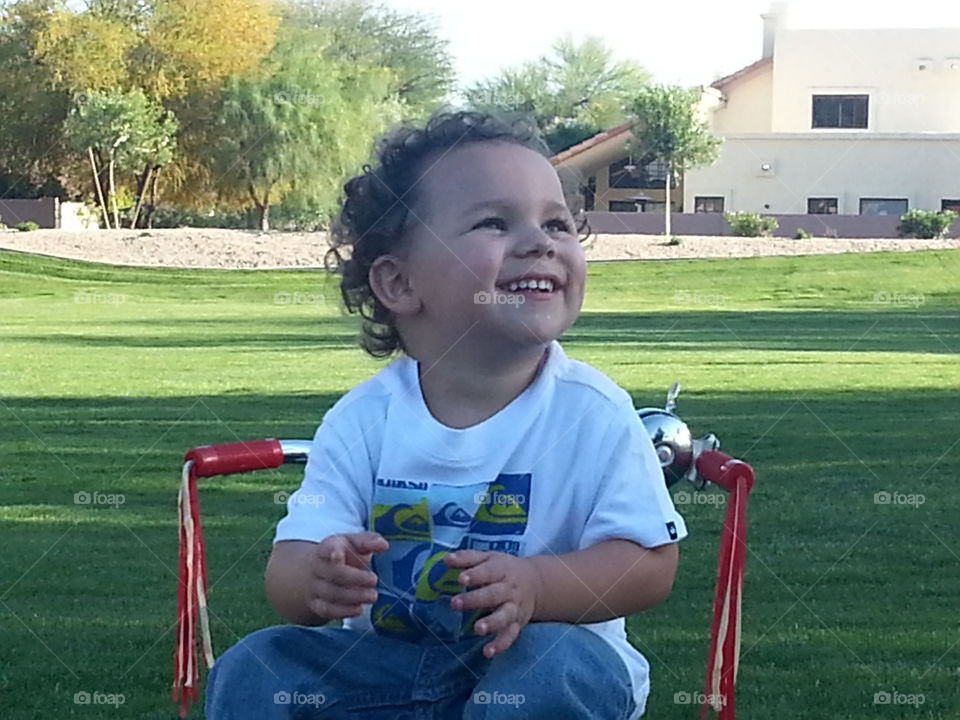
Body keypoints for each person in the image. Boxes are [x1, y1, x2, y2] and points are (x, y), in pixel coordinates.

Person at [205, 110, 688, 720]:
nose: (540, 241)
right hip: (389, 669)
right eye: (494, 222)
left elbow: (648, 564)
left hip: (535, 660)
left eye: (558, 223)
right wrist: (317, 579)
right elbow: (289, 567)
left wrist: (537, 587)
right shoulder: (364, 420)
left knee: (559, 665)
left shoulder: (591, 412)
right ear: (400, 283)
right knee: (257, 668)